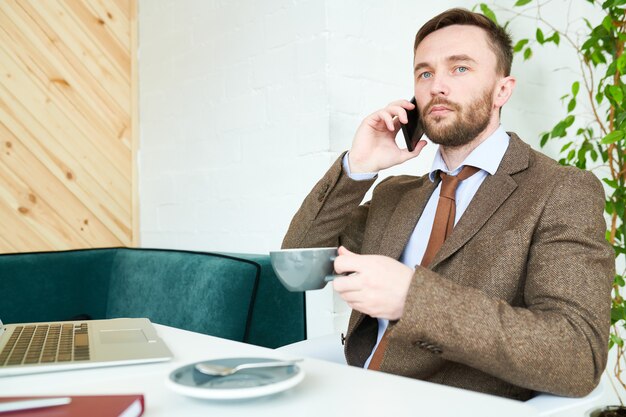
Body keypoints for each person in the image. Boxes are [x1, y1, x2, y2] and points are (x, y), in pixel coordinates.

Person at [282, 8, 614, 400]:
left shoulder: (560, 191)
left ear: (502, 90)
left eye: (460, 69)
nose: (437, 85)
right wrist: (358, 168)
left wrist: (414, 299)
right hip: (355, 396)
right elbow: (297, 265)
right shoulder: (395, 195)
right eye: (425, 73)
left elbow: (577, 356)